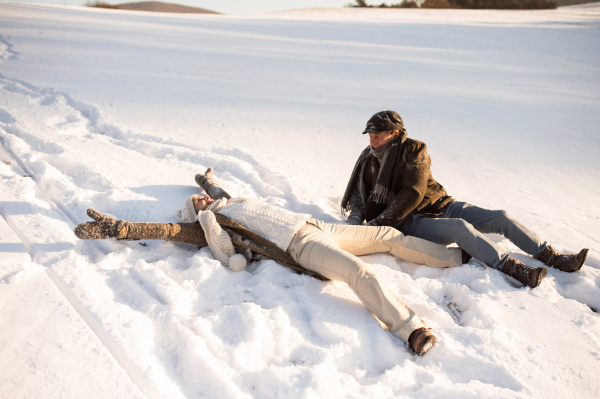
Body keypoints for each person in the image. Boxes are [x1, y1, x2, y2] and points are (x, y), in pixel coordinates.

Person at [75, 168, 467, 356]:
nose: (204, 202)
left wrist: (203, 180)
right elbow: (175, 234)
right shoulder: (214, 225)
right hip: (301, 248)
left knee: (389, 238)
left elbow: (213, 188)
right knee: (357, 271)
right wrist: (124, 228)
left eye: (204, 200)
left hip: (315, 226)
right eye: (198, 206)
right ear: (197, 216)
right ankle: (410, 329)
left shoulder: (226, 200)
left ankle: (454, 256)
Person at [341, 110, 590, 289]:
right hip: (409, 219)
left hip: (440, 205)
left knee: (500, 217)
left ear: (395, 134)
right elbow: (359, 198)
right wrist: (357, 224)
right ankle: (513, 269)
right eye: (370, 136)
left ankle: (552, 257)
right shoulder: (369, 159)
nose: (372, 141)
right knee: (459, 229)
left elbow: (413, 192)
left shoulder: (414, 150)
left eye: (378, 136)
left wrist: (379, 220)